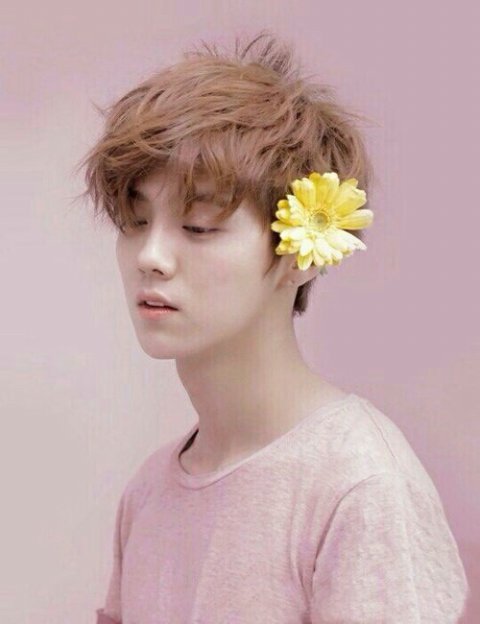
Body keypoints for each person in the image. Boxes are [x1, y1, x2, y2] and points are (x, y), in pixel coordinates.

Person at [77, 30, 469, 624]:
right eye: (135, 221)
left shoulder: (360, 485)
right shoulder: (149, 492)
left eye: (199, 226)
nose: (150, 256)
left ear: (299, 251)